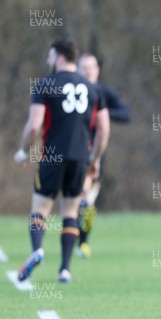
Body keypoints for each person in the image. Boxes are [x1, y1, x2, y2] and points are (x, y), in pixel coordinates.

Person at [14, 39, 110, 283]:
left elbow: (34, 125)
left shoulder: (45, 85)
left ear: (58, 57)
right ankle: (65, 269)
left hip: (52, 156)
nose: (48, 61)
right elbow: (104, 129)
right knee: (70, 210)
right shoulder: (93, 89)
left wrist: (24, 151)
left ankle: (37, 250)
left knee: (40, 209)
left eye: (50, 56)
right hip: (80, 158)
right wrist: (95, 159)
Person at [76, 53, 131, 258]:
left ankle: (83, 242)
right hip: (72, 153)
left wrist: (102, 114)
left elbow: (126, 114)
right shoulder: (70, 92)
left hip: (96, 156)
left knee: (87, 202)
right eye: (84, 67)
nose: (88, 71)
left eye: (92, 67)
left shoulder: (103, 93)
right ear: (77, 69)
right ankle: (70, 240)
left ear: (98, 70)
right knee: (74, 200)